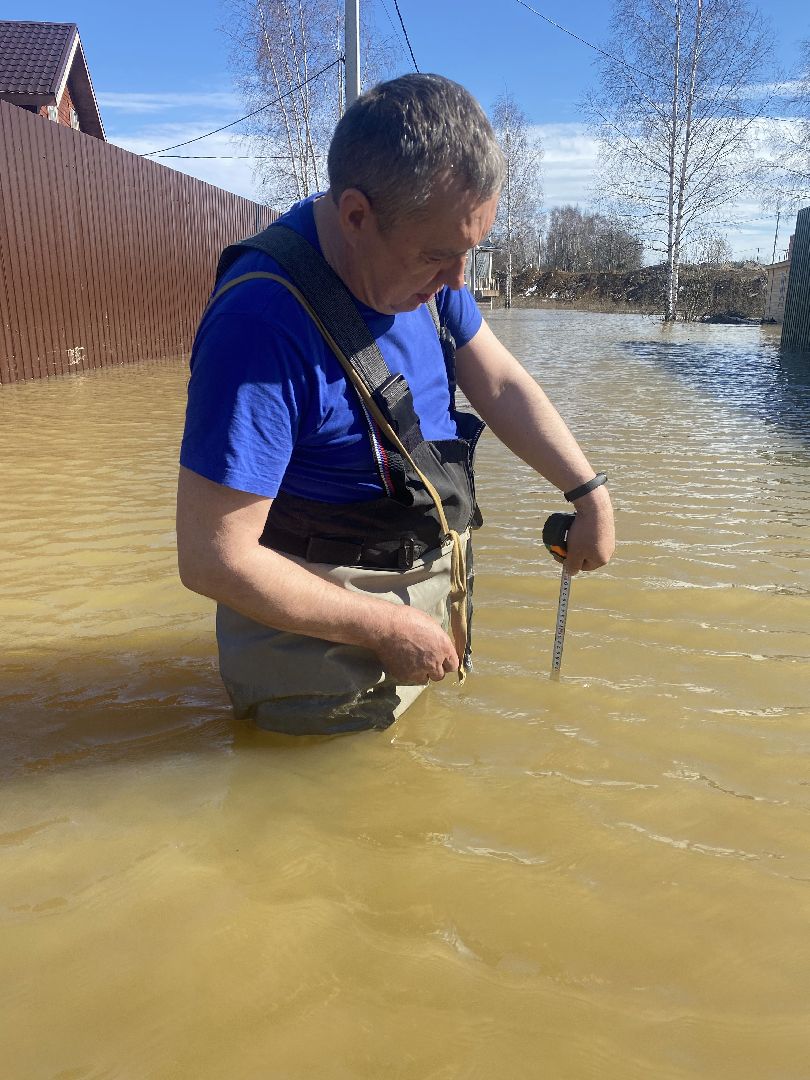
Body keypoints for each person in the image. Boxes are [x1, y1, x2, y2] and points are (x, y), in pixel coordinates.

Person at [176, 73, 614, 736]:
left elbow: (498, 382)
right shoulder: (260, 325)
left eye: (469, 252)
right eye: (441, 256)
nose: (457, 283)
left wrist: (588, 492)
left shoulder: (427, 265)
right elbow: (213, 557)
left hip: (414, 615)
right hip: (314, 651)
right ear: (356, 216)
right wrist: (381, 623)